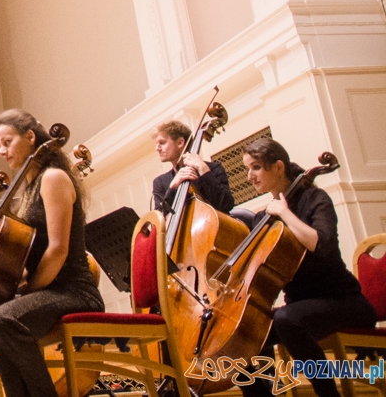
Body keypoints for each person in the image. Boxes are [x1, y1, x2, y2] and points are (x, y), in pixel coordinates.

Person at [235, 138, 376, 397]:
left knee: (286, 319)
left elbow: (323, 247)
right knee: (240, 334)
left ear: (278, 167)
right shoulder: (262, 217)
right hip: (300, 307)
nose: (249, 176)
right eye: (247, 169)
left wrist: (286, 214)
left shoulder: (314, 198)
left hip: (344, 301)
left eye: (255, 167)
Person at [0, 110, 104, 397]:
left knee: (1, 320)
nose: (2, 151)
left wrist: (29, 289)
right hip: (52, 290)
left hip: (74, 291)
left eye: (7, 142)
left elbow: (58, 250)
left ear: (30, 137)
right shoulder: (30, 186)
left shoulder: (53, 178)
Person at [150, 119, 235, 214]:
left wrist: (204, 171)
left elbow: (226, 205)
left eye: (162, 143)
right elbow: (160, 221)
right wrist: (172, 188)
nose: (157, 148)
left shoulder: (213, 168)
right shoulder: (160, 182)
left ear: (180, 142)